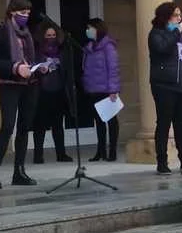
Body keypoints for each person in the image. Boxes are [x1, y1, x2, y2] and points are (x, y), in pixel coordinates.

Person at [0, 0, 38, 189]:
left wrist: (40, 67)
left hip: (29, 85)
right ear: (12, 12)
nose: (26, 16)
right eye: (23, 12)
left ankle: (19, 172)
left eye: (28, 13)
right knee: (8, 127)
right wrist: (15, 67)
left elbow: (31, 57)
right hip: (9, 85)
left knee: (24, 127)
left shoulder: (27, 33)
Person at [148, 1, 182, 175]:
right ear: (166, 17)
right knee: (164, 124)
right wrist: (176, 32)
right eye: (175, 15)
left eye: (180, 15)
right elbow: (163, 49)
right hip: (164, 85)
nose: (179, 18)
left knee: (181, 125)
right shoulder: (156, 34)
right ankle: (162, 162)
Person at [32, 22, 73, 164]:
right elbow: (31, 69)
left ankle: (61, 154)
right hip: (42, 91)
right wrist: (40, 69)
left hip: (58, 91)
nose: (51, 38)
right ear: (43, 36)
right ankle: (38, 155)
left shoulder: (62, 51)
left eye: (54, 35)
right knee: (40, 125)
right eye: (48, 35)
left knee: (58, 125)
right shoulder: (37, 51)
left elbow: (67, 70)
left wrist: (59, 64)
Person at [82, 18, 121, 162]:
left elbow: (113, 69)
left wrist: (113, 89)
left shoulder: (108, 47)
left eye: (90, 28)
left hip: (106, 89)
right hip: (93, 89)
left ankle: (112, 151)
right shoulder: (89, 48)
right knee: (98, 121)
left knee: (111, 121)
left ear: (98, 29)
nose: (88, 31)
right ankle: (101, 151)